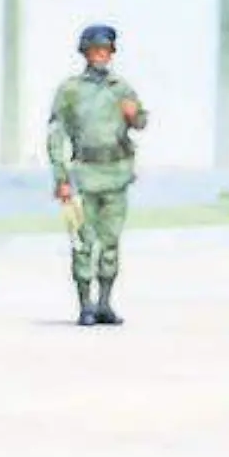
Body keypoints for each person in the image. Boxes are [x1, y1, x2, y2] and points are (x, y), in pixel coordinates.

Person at [47, 24, 147, 326]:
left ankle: (105, 302)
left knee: (111, 241)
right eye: (95, 50)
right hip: (83, 175)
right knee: (82, 241)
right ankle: (85, 304)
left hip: (115, 175)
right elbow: (56, 134)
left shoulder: (122, 88)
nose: (100, 55)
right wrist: (61, 177)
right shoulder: (71, 90)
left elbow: (140, 122)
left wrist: (135, 115)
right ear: (86, 53)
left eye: (105, 50)